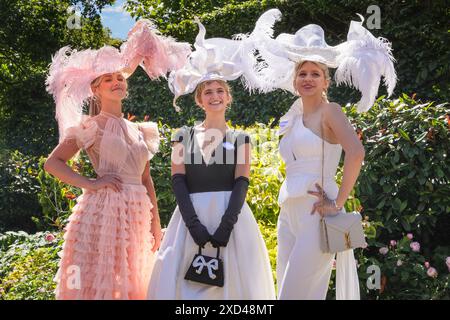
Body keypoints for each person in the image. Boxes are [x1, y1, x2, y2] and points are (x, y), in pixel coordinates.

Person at [242, 10, 396, 299]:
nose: (308, 78)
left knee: (294, 294)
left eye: (316, 74)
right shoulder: (291, 117)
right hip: (289, 211)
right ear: (294, 80)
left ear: (326, 81)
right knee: (286, 292)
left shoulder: (331, 111)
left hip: (318, 212)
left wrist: (337, 203)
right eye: (302, 73)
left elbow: (356, 152)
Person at [44, 21, 191, 299]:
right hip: (104, 210)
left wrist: (155, 225)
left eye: (120, 78)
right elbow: (53, 163)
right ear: (96, 89)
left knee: (135, 280)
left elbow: (146, 179)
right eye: (108, 79)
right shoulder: (91, 127)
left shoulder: (140, 130)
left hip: (137, 211)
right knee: (100, 278)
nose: (116, 82)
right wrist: (90, 183)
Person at [147, 19, 275, 300]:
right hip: (190, 219)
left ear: (228, 98)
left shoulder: (241, 138)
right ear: (199, 100)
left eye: (219, 91)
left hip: (231, 220)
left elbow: (242, 183)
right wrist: (194, 226)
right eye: (208, 92)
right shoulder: (182, 135)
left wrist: (226, 226)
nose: (214, 96)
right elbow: (178, 181)